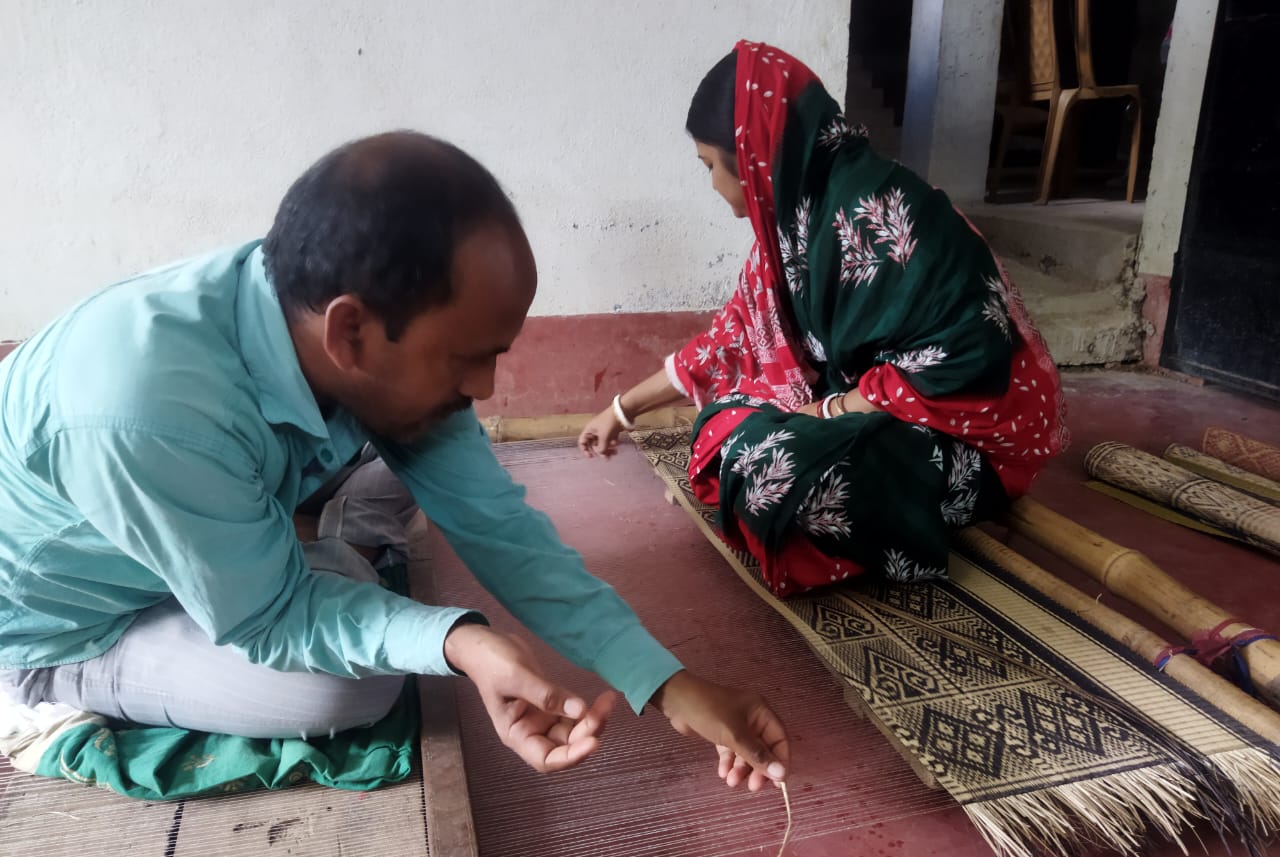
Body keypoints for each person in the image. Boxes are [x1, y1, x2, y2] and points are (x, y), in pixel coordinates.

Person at [0, 132, 787, 792]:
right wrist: (463, 642)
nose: (482, 390)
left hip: (175, 522)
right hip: (65, 623)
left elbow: (499, 527)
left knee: (400, 479)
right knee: (356, 684)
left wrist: (668, 684)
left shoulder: (323, 314)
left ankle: (294, 558)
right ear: (351, 335)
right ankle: (47, 692)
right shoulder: (148, 411)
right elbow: (270, 622)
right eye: (467, 360)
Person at [579, 41, 1067, 595]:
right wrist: (620, 410)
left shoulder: (887, 212)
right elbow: (727, 342)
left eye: (711, 165)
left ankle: (871, 524)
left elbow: (968, 355)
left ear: (754, 153)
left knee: (776, 474)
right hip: (863, 409)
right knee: (719, 428)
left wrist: (831, 409)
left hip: (960, 436)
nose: (714, 185)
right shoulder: (790, 227)